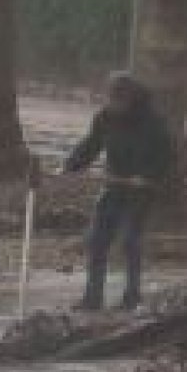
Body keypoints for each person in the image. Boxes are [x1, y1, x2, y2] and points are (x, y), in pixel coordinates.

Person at [63, 72, 172, 310]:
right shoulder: (105, 118)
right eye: (111, 99)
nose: (114, 105)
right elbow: (91, 144)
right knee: (97, 240)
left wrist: (147, 176)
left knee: (130, 241)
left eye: (119, 100)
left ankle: (132, 297)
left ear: (131, 99)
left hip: (140, 190)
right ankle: (92, 297)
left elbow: (167, 156)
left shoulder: (152, 122)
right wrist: (72, 165)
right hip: (114, 185)